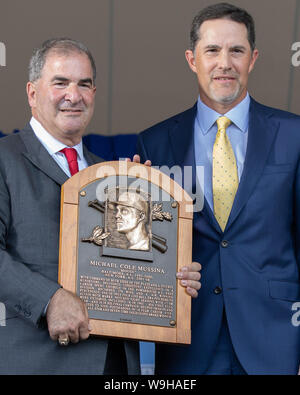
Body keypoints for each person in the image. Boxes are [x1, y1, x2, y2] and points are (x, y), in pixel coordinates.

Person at [0, 37, 201, 374]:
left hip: (117, 365)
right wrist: (49, 299)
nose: (73, 95)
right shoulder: (5, 159)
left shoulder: (110, 174)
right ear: (33, 93)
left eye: (84, 84)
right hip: (39, 363)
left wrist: (173, 274)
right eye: (60, 83)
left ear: (94, 94)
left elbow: (123, 264)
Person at [137, 3, 300, 375]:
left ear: (253, 58)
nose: (224, 62)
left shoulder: (294, 135)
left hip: (275, 339)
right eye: (212, 50)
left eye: (236, 50)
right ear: (192, 59)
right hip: (188, 343)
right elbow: (148, 252)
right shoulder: (156, 143)